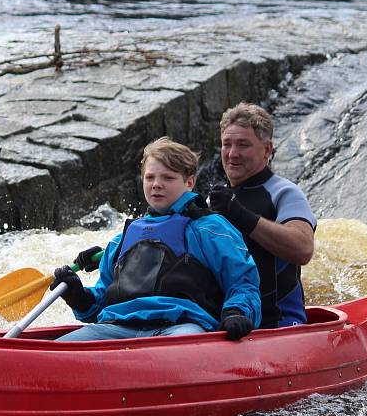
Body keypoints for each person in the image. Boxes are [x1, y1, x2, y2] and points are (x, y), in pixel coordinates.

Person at [52, 137, 261, 342]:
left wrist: (237, 312)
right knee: (60, 347)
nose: (156, 185)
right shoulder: (121, 240)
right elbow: (100, 301)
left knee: (182, 345)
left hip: (181, 326)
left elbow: (242, 282)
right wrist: (78, 296)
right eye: (150, 177)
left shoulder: (211, 229)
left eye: (168, 178)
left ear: (189, 182)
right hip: (118, 327)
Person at [208, 102, 316, 327]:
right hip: (229, 322)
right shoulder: (216, 200)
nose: (232, 154)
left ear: (267, 150)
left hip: (278, 324)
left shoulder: (285, 192)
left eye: (243, 145)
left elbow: (303, 248)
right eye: (226, 144)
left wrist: (243, 217)